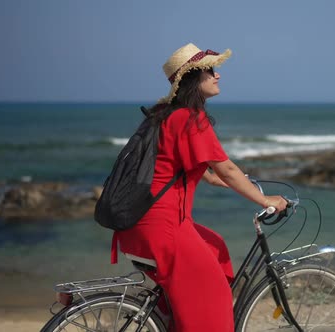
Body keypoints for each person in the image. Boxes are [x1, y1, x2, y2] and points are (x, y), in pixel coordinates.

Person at [110, 43, 287, 331]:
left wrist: (237, 182)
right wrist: (264, 199)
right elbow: (226, 169)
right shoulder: (189, 118)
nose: (217, 76)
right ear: (193, 78)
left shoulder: (165, 113)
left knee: (216, 248)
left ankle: (178, 319)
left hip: (137, 225)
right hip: (163, 228)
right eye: (210, 71)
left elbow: (209, 173)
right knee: (216, 293)